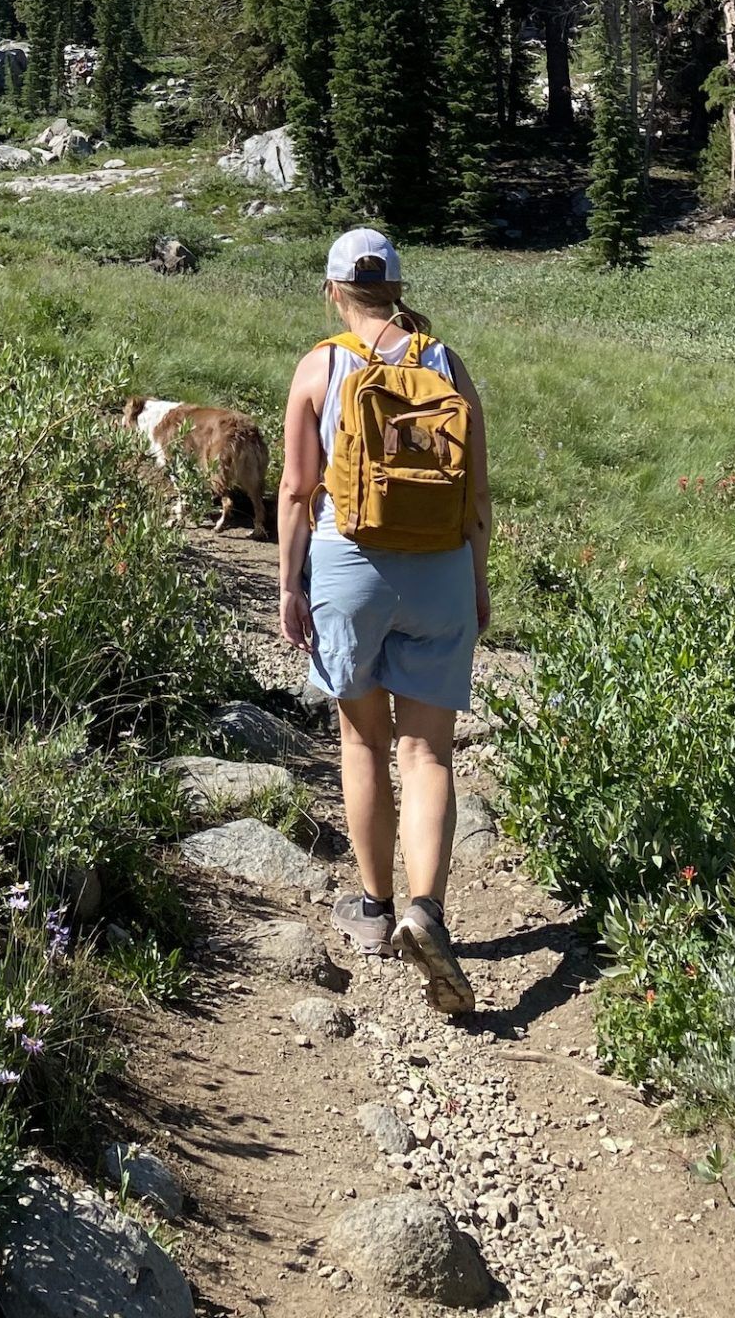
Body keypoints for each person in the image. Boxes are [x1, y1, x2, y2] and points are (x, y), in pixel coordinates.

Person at [277, 226, 490, 1012]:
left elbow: (299, 491)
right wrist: (477, 580)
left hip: (347, 563)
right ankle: (425, 908)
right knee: (428, 751)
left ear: (334, 289)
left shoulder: (321, 364)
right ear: (398, 289)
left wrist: (289, 583)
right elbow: (478, 496)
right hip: (438, 567)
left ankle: (371, 907)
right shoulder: (446, 364)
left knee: (363, 738)